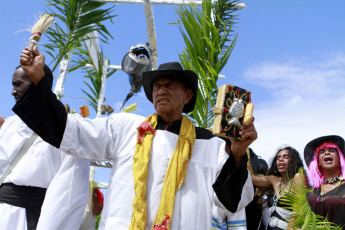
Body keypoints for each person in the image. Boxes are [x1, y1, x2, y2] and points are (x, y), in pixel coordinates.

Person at [16, 45, 257, 229]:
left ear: (187, 95)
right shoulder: (125, 128)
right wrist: (40, 84)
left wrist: (237, 153)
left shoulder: (211, 144)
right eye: (156, 86)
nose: (161, 90)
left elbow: (230, 202)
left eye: (170, 85)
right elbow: (72, 132)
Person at [0, 65, 89, 230]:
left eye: (18, 84)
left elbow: (70, 190)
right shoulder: (10, 124)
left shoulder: (68, 129)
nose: (13, 91)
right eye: (13, 85)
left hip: (32, 219)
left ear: (37, 84)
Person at [249, 146, 305, 230]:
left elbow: (297, 210)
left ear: (294, 161)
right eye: (278, 157)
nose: (281, 159)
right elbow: (249, 179)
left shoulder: (299, 177)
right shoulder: (274, 180)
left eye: (286, 157)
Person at [304, 135, 345, 228]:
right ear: (317, 161)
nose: (327, 153)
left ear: (340, 158)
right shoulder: (311, 189)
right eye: (322, 152)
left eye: (332, 150)